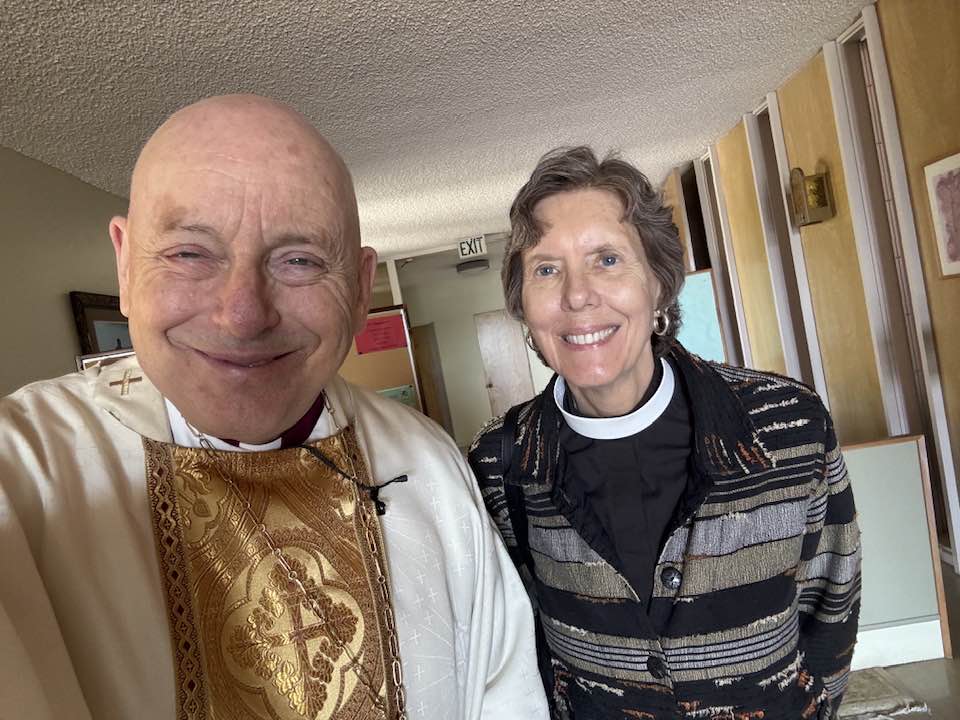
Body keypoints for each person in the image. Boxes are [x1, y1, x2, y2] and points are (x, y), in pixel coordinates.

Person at [0, 95, 548, 720]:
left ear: (360, 288)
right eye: (190, 253)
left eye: (299, 261)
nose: (242, 315)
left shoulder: (428, 464)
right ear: (125, 265)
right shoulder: (23, 474)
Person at [468, 146, 860, 719]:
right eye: (546, 269)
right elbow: (516, 647)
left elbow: (832, 604)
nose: (576, 296)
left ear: (657, 283)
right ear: (524, 306)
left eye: (607, 260)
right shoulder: (501, 464)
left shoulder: (787, 424)